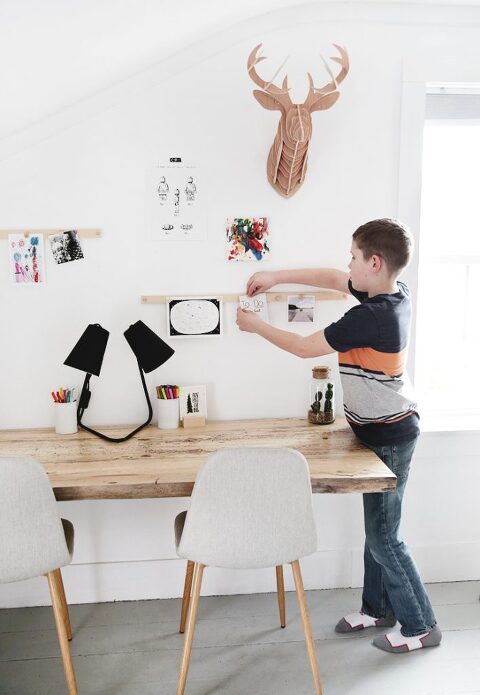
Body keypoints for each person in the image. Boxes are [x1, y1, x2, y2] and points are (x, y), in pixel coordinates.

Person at [236, 218, 441, 653]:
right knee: (379, 531)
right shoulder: (390, 292)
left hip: (391, 435)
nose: (347, 263)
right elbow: (333, 278)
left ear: (374, 262)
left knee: (386, 536)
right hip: (378, 430)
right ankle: (376, 609)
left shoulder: (372, 317)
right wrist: (276, 276)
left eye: (353, 255)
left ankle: (421, 626)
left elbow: (302, 347)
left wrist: (254, 326)